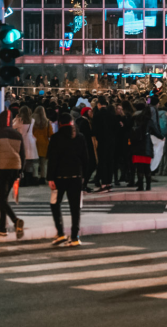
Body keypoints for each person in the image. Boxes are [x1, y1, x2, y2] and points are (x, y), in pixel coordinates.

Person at [46, 113, 88, 247]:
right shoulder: (80, 137)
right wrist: (84, 177)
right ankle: (75, 236)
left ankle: (60, 233)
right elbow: (86, 159)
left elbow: (52, 160)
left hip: (59, 177)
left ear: (59, 124)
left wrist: (50, 177)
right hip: (76, 177)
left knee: (55, 204)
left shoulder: (55, 138)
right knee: (75, 208)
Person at [0, 109, 25, 237]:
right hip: (16, 167)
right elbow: (23, 155)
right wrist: (20, 171)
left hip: (3, 167)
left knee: (0, 198)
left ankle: (15, 220)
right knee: (4, 198)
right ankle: (2, 227)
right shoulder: (18, 134)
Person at [91, 98, 116, 192]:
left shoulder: (97, 115)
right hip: (111, 141)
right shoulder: (112, 115)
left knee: (102, 162)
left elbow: (94, 130)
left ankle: (104, 184)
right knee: (110, 162)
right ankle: (109, 183)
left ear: (99, 104)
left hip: (101, 141)